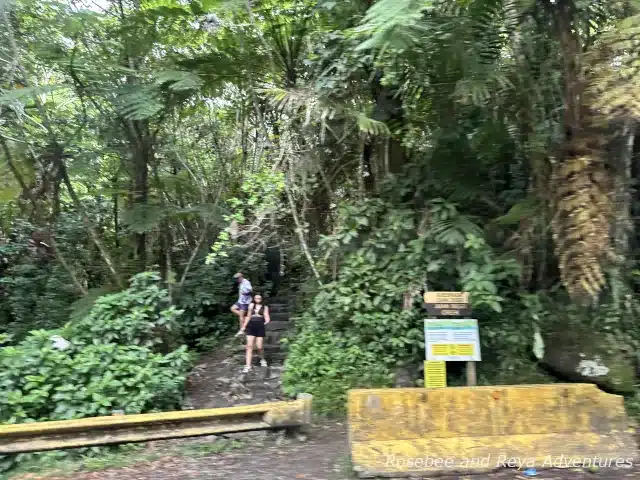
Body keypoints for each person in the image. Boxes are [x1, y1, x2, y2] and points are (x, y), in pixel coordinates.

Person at [237, 293, 270, 373]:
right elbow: (248, 316)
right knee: (249, 346)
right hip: (251, 326)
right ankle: (248, 366)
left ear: (262, 299)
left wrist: (267, 321)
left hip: (260, 326)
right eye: (256, 298)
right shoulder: (251, 305)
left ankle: (262, 359)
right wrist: (243, 327)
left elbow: (266, 315)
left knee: (259, 347)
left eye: (259, 298)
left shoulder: (265, 307)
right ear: (254, 299)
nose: (257, 299)